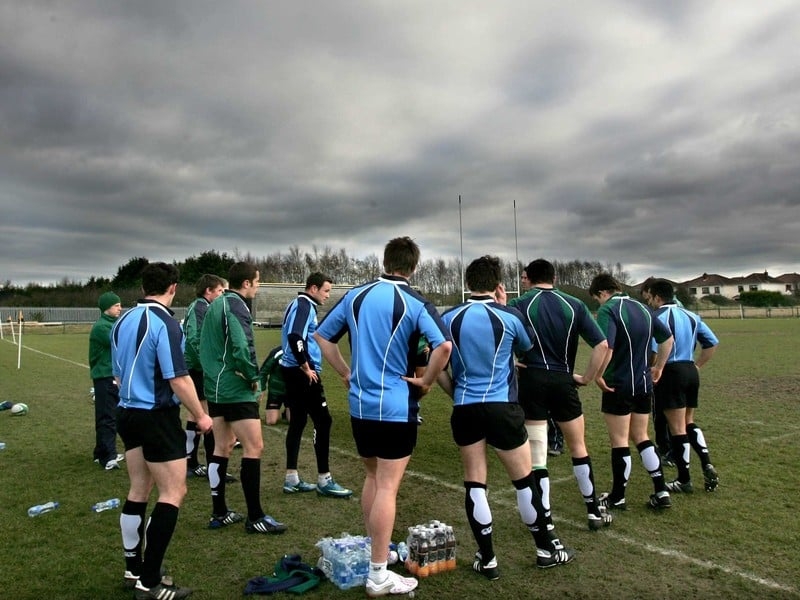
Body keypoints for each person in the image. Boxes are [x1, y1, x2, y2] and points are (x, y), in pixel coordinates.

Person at [418, 256, 574, 580]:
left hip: (465, 408)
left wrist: (455, 392)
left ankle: (487, 559)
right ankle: (546, 549)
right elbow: (527, 348)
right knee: (523, 480)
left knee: (476, 480)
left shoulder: (449, 318)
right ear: (497, 284)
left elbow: (435, 362)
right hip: (503, 407)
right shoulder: (509, 316)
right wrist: (505, 307)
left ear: (467, 282)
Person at [314, 236, 452, 598]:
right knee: (387, 486)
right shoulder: (415, 301)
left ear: (386, 261)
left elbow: (322, 337)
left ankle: (379, 549)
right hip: (394, 408)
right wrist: (424, 381)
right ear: (413, 267)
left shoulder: (355, 295)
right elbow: (444, 346)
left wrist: (345, 372)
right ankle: (378, 573)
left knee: (373, 477)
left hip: (360, 406)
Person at [112, 262, 213, 599]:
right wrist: (200, 415)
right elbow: (177, 377)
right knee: (173, 492)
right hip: (155, 415)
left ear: (143, 287)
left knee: (139, 488)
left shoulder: (121, 319)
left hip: (125, 413)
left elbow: (117, 374)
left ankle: (133, 567)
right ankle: (149, 579)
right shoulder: (165, 323)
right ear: (173, 287)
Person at [508, 259, 612, 531]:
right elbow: (602, 345)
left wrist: (514, 361)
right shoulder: (574, 304)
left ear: (529, 277)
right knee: (578, 447)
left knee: (538, 453)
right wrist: (588, 378)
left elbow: (502, 338)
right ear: (553, 277)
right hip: (564, 379)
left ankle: (545, 517)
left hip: (531, 380)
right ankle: (592, 511)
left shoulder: (518, 304)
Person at [200, 261, 287, 534]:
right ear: (247, 283)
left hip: (215, 385)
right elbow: (241, 346)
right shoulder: (236, 304)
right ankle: (255, 517)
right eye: (258, 282)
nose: (258, 287)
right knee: (254, 447)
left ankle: (219, 512)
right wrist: (254, 378)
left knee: (221, 447)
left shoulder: (215, 304)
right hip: (235, 386)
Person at [588, 273, 674, 511]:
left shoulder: (609, 310)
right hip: (643, 384)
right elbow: (667, 340)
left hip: (619, 384)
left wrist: (598, 375)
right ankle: (661, 490)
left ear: (603, 293)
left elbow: (607, 347)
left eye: (597, 299)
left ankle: (618, 496)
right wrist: (658, 368)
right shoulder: (644, 308)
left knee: (619, 441)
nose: (599, 303)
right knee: (642, 436)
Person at [279, 272, 352, 497]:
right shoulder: (304, 305)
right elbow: (295, 337)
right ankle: (324, 480)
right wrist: (306, 366)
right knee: (323, 420)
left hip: (290, 370)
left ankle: (291, 478)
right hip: (302, 373)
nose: (328, 296)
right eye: (326, 290)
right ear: (313, 288)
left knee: (298, 421)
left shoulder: (298, 303)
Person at [646, 279, 720, 493]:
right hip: (690, 370)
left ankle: (684, 479)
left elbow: (654, 351)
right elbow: (712, 342)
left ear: (658, 297)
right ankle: (706, 462)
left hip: (670, 372)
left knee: (677, 428)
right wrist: (698, 365)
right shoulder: (691, 315)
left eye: (650, 297)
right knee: (688, 422)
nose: (649, 302)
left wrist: (652, 369)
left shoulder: (656, 317)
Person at [182, 274, 226, 479]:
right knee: (205, 415)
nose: (222, 294)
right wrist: (208, 364)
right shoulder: (200, 307)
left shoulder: (201, 306)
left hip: (197, 367)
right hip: (198, 368)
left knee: (196, 414)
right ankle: (206, 465)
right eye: (219, 291)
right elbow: (194, 339)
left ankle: (192, 462)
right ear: (208, 291)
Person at [89, 291, 124, 471]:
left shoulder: (113, 324)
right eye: (116, 305)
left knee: (109, 414)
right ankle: (108, 457)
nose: (120, 308)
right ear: (106, 308)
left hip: (111, 376)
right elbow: (120, 341)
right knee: (107, 416)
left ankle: (100, 452)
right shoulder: (102, 327)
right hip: (105, 376)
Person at [259, 345, 290, 426]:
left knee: (294, 421)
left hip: (292, 392)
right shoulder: (277, 352)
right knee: (271, 421)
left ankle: (286, 413)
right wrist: (261, 389)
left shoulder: (300, 352)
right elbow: (263, 372)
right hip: (276, 391)